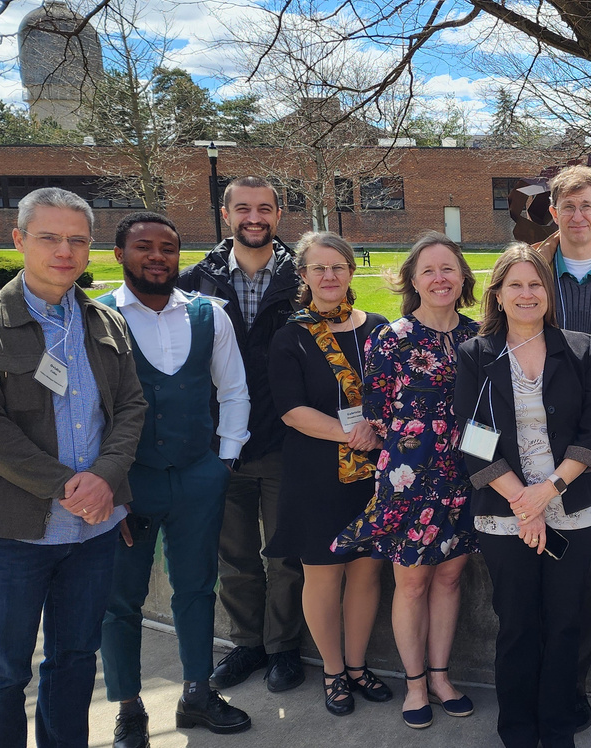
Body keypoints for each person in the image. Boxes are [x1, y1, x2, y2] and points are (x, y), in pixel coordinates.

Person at [0, 187, 146, 747]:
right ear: (19, 240)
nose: (65, 250)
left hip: (93, 531)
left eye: (77, 240)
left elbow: (131, 407)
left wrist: (104, 478)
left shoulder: (106, 322)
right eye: (49, 237)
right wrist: (65, 485)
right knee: (4, 669)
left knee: (77, 659)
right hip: (13, 534)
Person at [97, 213, 252, 746]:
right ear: (120, 254)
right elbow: (85, 411)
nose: (157, 256)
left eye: (168, 247)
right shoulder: (100, 317)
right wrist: (105, 488)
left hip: (197, 478)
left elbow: (233, 389)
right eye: (144, 246)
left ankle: (197, 692)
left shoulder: (209, 315)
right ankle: (129, 706)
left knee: (196, 589)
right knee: (120, 600)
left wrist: (224, 461)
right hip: (126, 485)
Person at [455, 245, 591, 748]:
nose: (527, 294)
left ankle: (558, 726)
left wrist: (546, 492)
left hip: (573, 506)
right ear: (497, 295)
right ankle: (519, 730)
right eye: (516, 285)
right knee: (518, 624)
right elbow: (473, 439)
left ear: (549, 293)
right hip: (505, 516)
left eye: (536, 284)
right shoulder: (476, 356)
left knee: (567, 622)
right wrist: (523, 502)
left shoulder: (582, 348)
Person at [333, 233, 480, 729]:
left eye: (448, 269)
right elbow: (374, 416)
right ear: (413, 281)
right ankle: (415, 684)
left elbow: (490, 414)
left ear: (462, 277)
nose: (440, 279)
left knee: (451, 577)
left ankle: (441, 676)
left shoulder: (480, 335)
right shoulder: (391, 338)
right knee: (413, 582)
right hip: (408, 480)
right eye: (429, 271)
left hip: (466, 476)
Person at [177, 176, 308, 694]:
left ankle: (283, 647)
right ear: (226, 214)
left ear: (278, 215)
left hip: (283, 440)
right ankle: (246, 644)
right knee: (233, 556)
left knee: (284, 555)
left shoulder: (303, 277)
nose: (255, 218)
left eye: (265, 209)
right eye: (243, 209)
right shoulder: (195, 282)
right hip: (217, 444)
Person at [262, 233, 390, 716]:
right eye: (319, 268)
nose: (329, 276)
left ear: (352, 272)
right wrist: (351, 434)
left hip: (375, 474)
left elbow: (395, 392)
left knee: (366, 574)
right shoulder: (290, 335)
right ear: (304, 276)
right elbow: (292, 410)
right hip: (316, 475)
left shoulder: (379, 328)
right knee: (323, 576)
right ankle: (333, 671)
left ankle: (358, 667)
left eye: (338, 266)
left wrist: (375, 431)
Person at [532, 165, 591, 730]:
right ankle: (534, 677)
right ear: (554, 211)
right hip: (541, 441)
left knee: (590, 571)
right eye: (567, 205)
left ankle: (574, 682)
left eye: (587, 204)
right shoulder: (529, 268)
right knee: (538, 567)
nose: (578, 215)